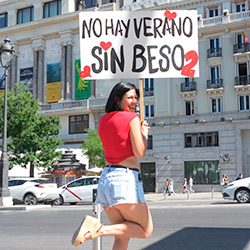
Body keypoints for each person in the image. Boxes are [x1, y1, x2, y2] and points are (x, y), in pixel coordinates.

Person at [72, 82, 153, 249]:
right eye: (129, 98)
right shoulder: (132, 118)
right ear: (118, 100)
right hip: (124, 180)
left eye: (136, 98)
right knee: (145, 230)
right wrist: (144, 134)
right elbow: (140, 152)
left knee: (122, 237)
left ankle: (98, 229)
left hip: (106, 180)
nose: (135, 101)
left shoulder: (103, 120)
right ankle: (98, 229)